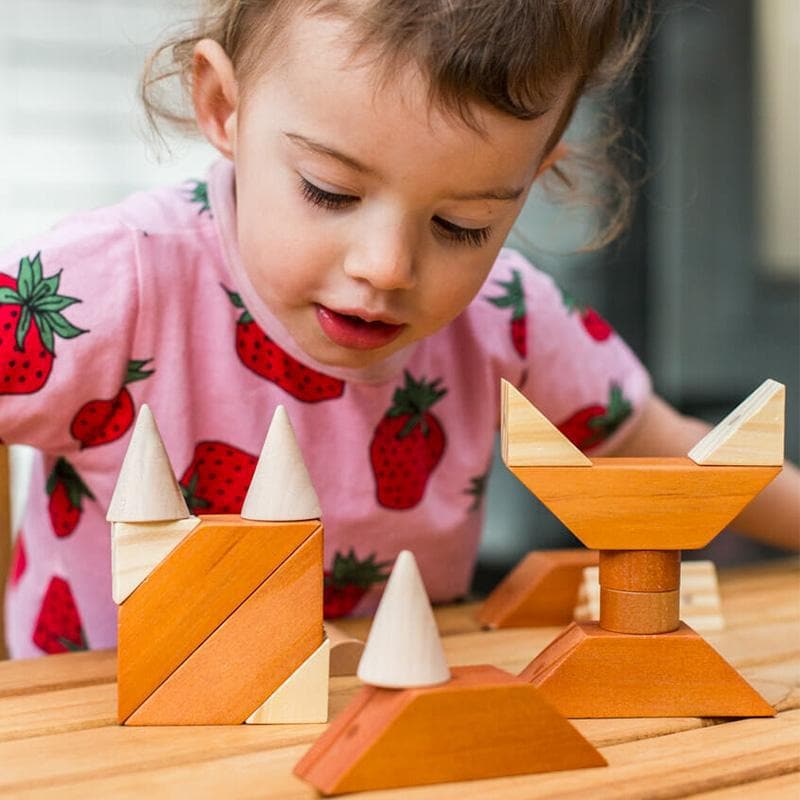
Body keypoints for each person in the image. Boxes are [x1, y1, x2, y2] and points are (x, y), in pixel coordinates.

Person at [1, 0, 797, 659]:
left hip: (389, 722)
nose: (387, 268)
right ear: (224, 106)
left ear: (538, 171)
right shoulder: (116, 283)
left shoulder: (509, 315)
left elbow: (662, 453)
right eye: (330, 192)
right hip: (115, 736)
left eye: (462, 225)